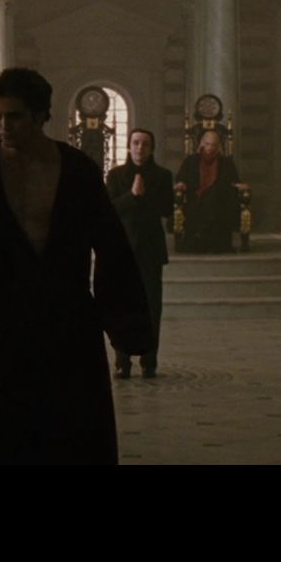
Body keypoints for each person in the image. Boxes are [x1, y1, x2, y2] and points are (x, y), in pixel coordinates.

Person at [0, 67, 154, 464]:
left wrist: (127, 328)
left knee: (77, 432)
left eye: (14, 116)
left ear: (41, 115)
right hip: (10, 320)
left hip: (70, 320)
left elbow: (111, 248)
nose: (4, 125)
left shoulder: (77, 170)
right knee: (9, 432)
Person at [105, 128, 174, 379]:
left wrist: (145, 196)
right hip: (123, 250)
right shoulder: (115, 176)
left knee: (151, 308)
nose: (139, 148)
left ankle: (149, 360)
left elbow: (167, 209)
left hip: (150, 251)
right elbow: (109, 209)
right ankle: (122, 360)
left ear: (151, 149)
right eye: (135, 143)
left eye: (145, 144)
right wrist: (132, 196)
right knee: (122, 307)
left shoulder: (163, 176)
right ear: (129, 146)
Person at [174, 130, 249, 253]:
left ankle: (200, 236)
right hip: (196, 199)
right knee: (210, 199)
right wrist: (181, 183)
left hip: (220, 201)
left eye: (213, 145)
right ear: (202, 144)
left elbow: (234, 181)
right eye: (207, 144)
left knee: (214, 195)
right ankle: (200, 237)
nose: (209, 148)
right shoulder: (192, 161)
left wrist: (239, 185)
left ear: (218, 146)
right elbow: (181, 178)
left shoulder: (226, 163)